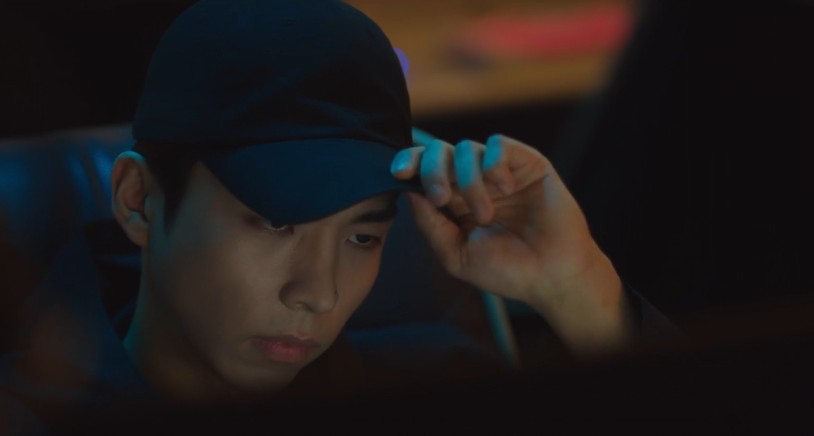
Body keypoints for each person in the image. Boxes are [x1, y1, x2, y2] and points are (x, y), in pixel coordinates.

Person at [0, 0, 682, 433]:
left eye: (361, 234)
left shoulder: (441, 385)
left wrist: (578, 284)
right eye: (275, 222)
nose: (318, 292)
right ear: (138, 201)